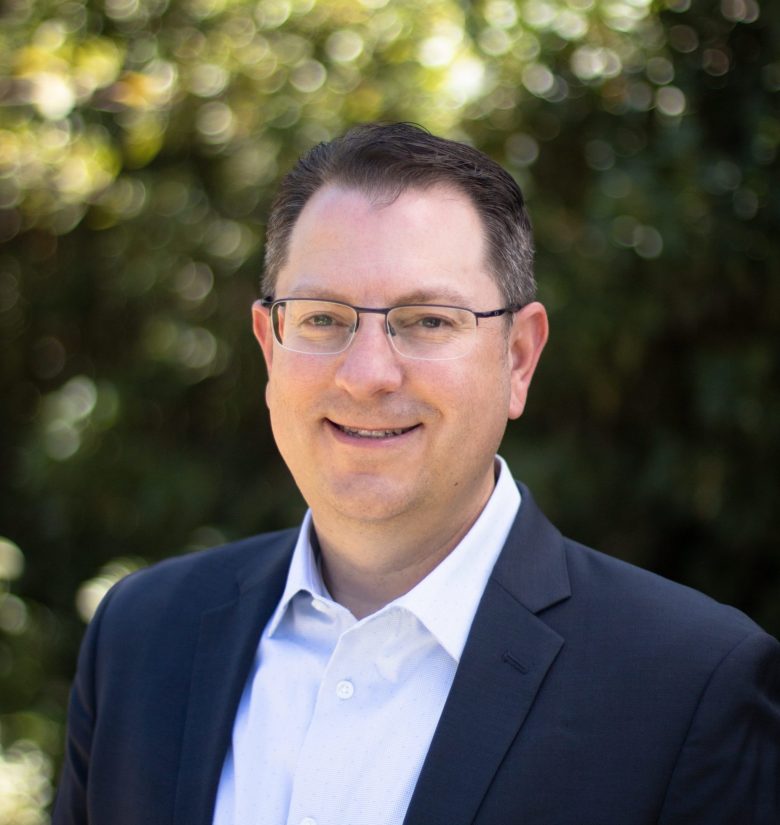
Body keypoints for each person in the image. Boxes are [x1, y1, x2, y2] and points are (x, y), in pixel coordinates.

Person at [53, 123, 779, 825]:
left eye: (428, 320)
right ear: (269, 349)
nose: (368, 373)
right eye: (322, 318)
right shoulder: (140, 636)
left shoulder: (689, 684)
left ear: (518, 358)